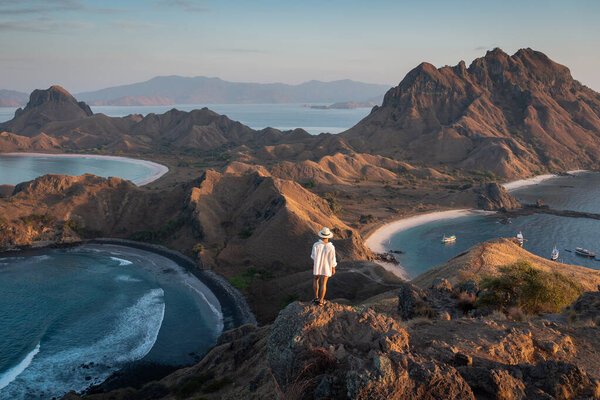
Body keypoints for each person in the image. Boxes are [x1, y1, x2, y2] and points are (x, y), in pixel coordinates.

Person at [311, 227, 337, 306]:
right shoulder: (331, 247)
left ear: (321, 235)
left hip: (317, 266)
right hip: (326, 267)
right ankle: (321, 301)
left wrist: (315, 265)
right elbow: (333, 259)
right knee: (324, 283)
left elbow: (313, 257)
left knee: (316, 280)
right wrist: (333, 268)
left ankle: (316, 298)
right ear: (328, 236)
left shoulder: (316, 245)